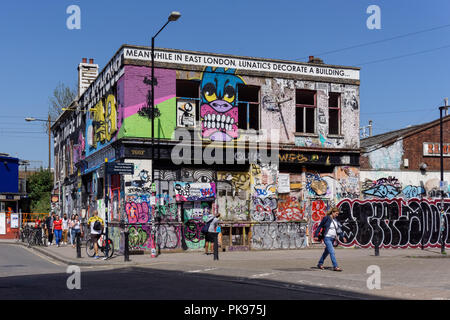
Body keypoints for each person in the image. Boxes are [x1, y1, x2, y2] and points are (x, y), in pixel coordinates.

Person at [314, 207, 347, 272]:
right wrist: (316, 235)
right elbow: (320, 226)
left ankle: (320, 263)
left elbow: (339, 229)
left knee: (326, 252)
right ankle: (335, 266)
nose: (337, 215)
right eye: (336, 213)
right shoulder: (326, 218)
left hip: (332, 238)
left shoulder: (336, 220)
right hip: (327, 238)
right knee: (332, 251)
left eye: (338, 214)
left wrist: (342, 236)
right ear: (333, 212)